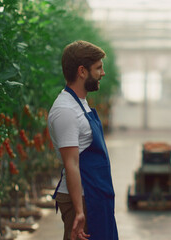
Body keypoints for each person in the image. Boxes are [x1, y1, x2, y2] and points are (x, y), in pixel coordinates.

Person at [48, 40, 118, 240]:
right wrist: (79, 211)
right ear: (82, 71)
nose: (102, 73)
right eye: (98, 68)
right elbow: (71, 163)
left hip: (96, 196)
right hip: (84, 200)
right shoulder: (66, 110)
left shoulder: (80, 103)